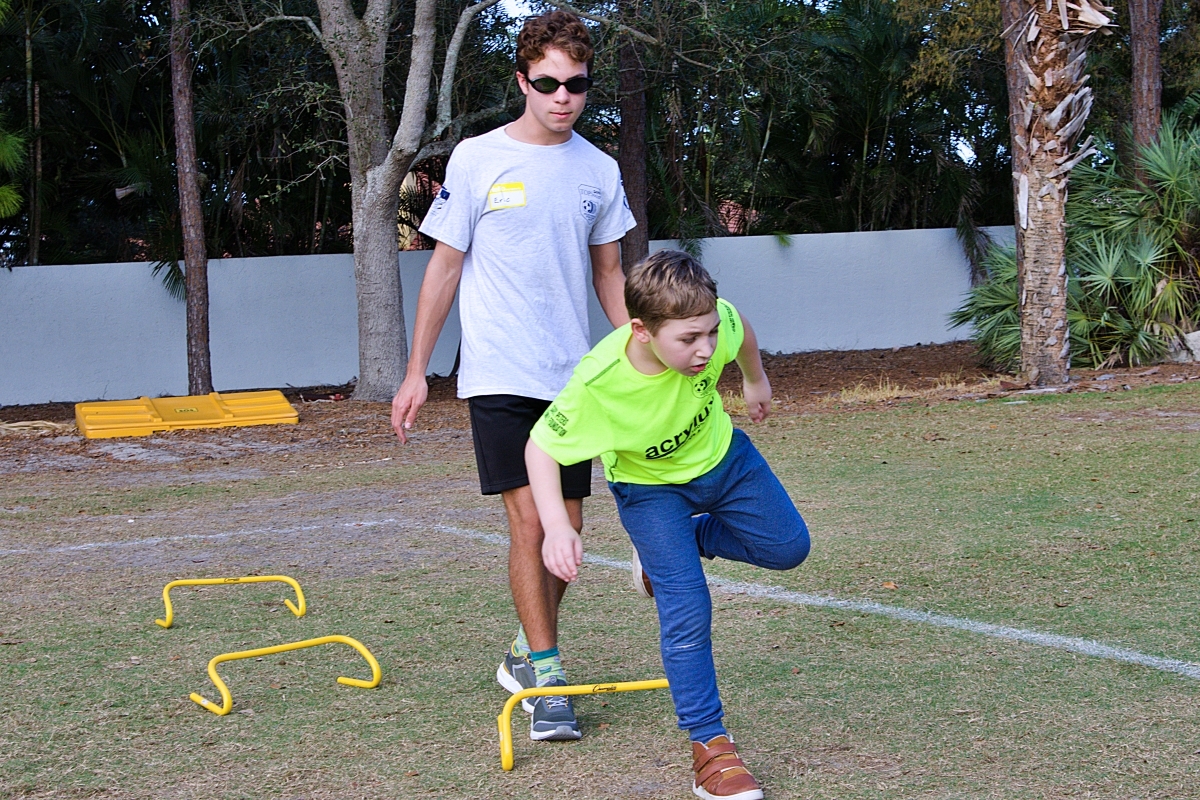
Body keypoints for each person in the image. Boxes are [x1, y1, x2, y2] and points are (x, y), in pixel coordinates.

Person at [390, 10, 636, 742]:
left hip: (574, 382)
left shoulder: (599, 170)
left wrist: (641, 358)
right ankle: (551, 682)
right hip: (498, 372)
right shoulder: (474, 158)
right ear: (522, 81)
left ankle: (526, 653)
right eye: (548, 83)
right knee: (532, 523)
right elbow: (443, 267)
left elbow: (612, 274)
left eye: (577, 85)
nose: (563, 97)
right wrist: (415, 373)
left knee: (571, 534)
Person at [525, 250, 810, 800]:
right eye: (688, 340)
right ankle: (711, 748)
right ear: (642, 331)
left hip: (725, 460)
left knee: (789, 547)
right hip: (650, 491)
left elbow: (739, 326)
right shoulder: (601, 383)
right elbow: (541, 448)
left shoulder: (712, 322)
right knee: (687, 607)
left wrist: (755, 379)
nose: (705, 349)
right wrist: (558, 526)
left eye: (707, 334)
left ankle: (682, 544)